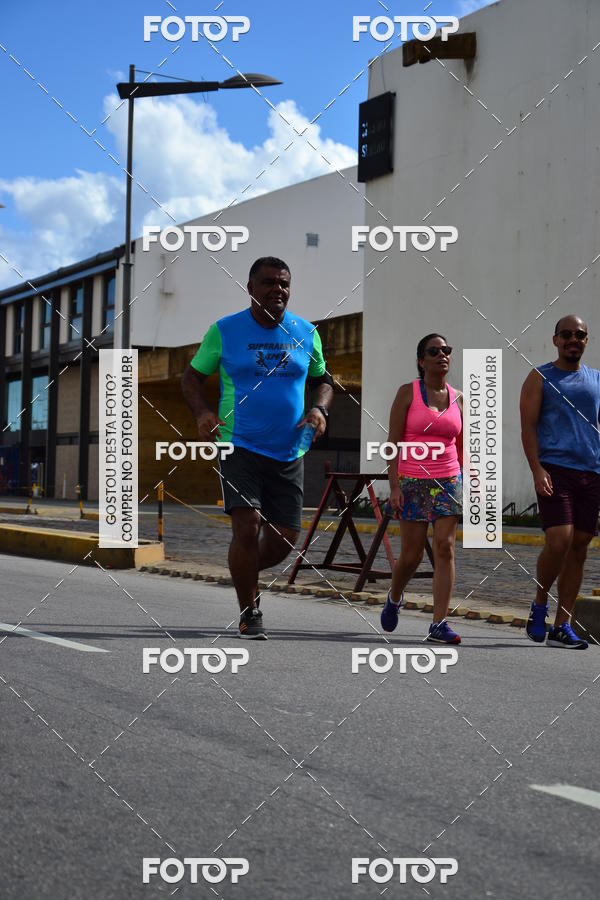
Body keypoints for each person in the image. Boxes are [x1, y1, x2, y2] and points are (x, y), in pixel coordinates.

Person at [181, 257, 334, 639]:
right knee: (247, 525)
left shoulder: (306, 331)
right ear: (250, 288)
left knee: (284, 541)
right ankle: (249, 611)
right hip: (239, 444)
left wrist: (319, 408)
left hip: (290, 449)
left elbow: (324, 381)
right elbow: (191, 377)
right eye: (268, 282)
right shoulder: (225, 331)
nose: (277, 289)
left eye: (283, 283)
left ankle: (241, 567)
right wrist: (202, 413)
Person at [519, 314, 600, 649]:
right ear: (555, 340)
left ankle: (562, 626)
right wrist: (537, 469)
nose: (573, 340)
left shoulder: (596, 379)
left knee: (580, 546)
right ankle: (540, 602)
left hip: (591, 472)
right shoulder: (540, 377)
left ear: (585, 341)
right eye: (566, 334)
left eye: (579, 335)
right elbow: (528, 427)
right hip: (555, 469)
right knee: (559, 541)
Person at [380, 334, 463, 644]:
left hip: (449, 480)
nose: (442, 355)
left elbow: (461, 446)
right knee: (411, 556)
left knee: (445, 547)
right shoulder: (408, 393)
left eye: (446, 350)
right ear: (421, 360)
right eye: (434, 351)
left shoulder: (459, 398)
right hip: (413, 480)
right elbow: (393, 443)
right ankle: (395, 596)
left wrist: (469, 483)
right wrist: (394, 485)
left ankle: (439, 623)